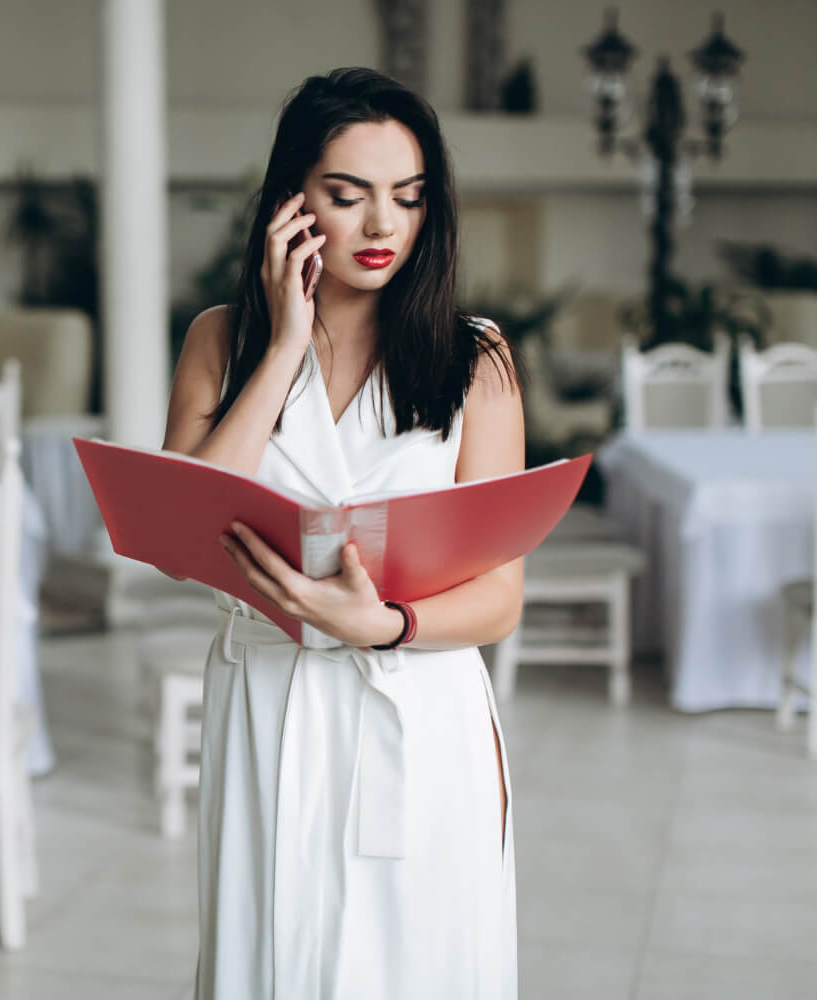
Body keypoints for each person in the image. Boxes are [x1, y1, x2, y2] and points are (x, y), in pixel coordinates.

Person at [163, 68, 523, 998]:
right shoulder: (222, 339)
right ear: (292, 199)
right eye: (346, 195)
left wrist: (385, 626)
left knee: (420, 959)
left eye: (407, 198)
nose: (382, 227)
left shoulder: (473, 358)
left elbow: (500, 596)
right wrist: (283, 345)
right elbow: (186, 529)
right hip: (268, 696)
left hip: (417, 701)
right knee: (270, 954)